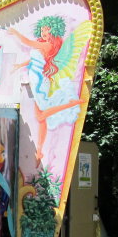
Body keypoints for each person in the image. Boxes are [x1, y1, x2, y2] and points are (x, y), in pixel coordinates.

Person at [8, 16, 85, 161]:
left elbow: (28, 42)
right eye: (42, 29)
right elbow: (35, 59)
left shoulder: (48, 45)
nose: (43, 32)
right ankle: (39, 151)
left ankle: (70, 104)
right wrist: (20, 65)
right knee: (40, 118)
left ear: (53, 30)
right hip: (36, 79)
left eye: (47, 29)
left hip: (40, 81)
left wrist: (15, 32)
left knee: (41, 115)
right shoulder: (43, 45)